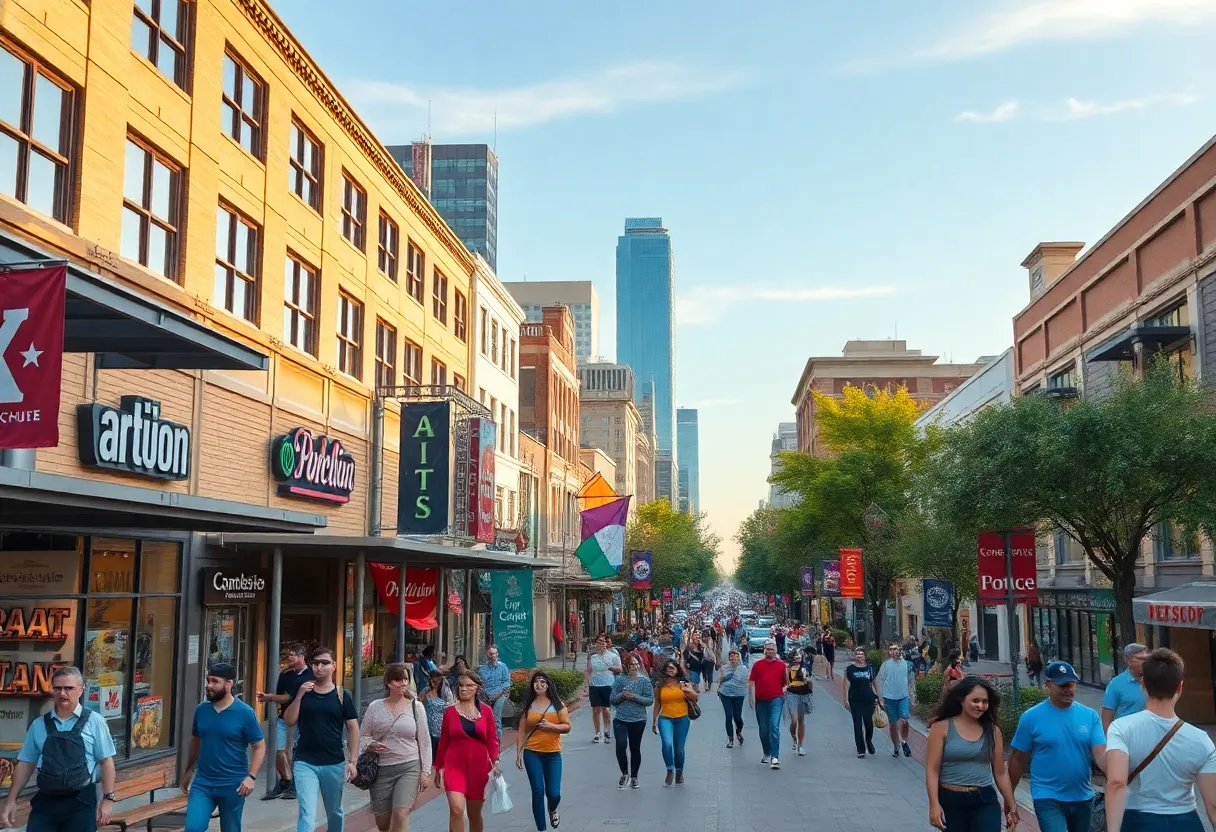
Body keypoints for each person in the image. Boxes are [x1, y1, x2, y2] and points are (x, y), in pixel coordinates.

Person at [1105, 648, 1216, 832]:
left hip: (1138, 820)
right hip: (1186, 821)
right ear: (1180, 687)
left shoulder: (1121, 728)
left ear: (1143, 685)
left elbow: (1116, 783)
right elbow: (1212, 803)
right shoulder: (1201, 739)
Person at [1, 666, 116, 832]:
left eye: (69, 688)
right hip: (46, 801)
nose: (63, 693)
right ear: (52, 690)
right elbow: (26, 764)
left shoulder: (94, 721)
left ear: (81, 690)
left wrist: (108, 799)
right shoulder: (39, 725)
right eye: (58, 688)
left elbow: (106, 761)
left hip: (81, 802)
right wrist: (11, 800)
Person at [1009, 661, 1107, 832]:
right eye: (1062, 685)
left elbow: (1101, 754)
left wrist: (1118, 775)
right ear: (1048, 685)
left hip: (1082, 796)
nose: (1068, 689)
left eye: (1071, 684)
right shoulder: (1031, 717)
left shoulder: (1090, 716)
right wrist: (1009, 797)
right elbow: (1018, 758)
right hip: (1047, 796)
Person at [925, 676, 1019, 832]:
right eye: (975, 701)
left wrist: (1012, 807)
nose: (981, 706)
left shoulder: (994, 732)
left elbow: (1000, 773)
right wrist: (934, 804)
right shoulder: (941, 728)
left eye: (985, 702)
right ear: (961, 700)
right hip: (951, 801)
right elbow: (932, 769)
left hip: (984, 800)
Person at [182, 663, 266, 832]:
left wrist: (251, 777)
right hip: (203, 783)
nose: (209, 685)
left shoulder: (245, 713)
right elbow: (196, 741)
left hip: (233, 785)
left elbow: (259, 746)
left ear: (229, 684)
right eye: (208, 680)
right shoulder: (201, 710)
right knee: (193, 828)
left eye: (215, 681)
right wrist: (188, 770)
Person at [284, 646, 360, 832]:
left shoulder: (342, 695)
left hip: (333, 762)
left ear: (333, 666)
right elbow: (289, 720)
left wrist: (353, 760)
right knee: (307, 814)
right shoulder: (303, 690)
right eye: (315, 663)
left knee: (334, 812)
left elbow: (353, 727)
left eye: (324, 663)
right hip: (304, 761)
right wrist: (300, 695)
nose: (319, 667)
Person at [359, 664, 431, 832]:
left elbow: (425, 741)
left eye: (405, 679)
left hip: (408, 766)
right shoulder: (375, 707)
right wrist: (370, 744)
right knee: (383, 822)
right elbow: (362, 736)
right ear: (388, 683)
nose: (402, 683)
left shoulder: (416, 706)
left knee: (400, 814)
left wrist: (425, 771)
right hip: (380, 770)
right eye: (398, 679)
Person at [433, 670, 500, 832]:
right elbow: (444, 741)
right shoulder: (450, 712)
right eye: (461, 686)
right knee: (456, 810)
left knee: (474, 814)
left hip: (478, 768)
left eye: (469, 686)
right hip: (454, 766)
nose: (464, 689)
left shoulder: (486, 711)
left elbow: (492, 739)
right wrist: (438, 768)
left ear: (477, 688)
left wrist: (495, 761)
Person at [515, 671, 570, 831]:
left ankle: (552, 808)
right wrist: (519, 752)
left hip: (553, 754)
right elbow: (522, 730)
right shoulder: (529, 705)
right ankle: (541, 828)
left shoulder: (558, 705)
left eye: (542, 682)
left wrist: (552, 726)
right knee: (538, 791)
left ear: (548, 685)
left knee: (554, 793)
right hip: (532, 753)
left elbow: (567, 726)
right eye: (536, 682)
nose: (539, 685)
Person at [257, 642, 313, 800]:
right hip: (284, 717)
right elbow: (281, 696)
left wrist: (269, 697)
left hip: (302, 718)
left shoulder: (309, 676)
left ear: (302, 657)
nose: (289, 658)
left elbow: (288, 697)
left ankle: (294, 785)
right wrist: (273, 698)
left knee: (292, 751)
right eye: (288, 655)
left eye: (292, 655)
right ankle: (286, 779)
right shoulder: (286, 674)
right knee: (277, 748)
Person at [610, 652, 653, 789]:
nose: (634, 666)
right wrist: (622, 695)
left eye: (636, 664)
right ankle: (624, 772)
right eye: (631, 664)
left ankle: (634, 776)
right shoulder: (619, 680)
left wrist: (635, 697)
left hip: (638, 719)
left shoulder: (644, 681)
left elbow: (649, 700)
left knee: (635, 748)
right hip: (621, 718)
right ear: (625, 666)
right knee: (621, 745)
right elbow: (612, 699)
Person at [651, 658, 697, 786]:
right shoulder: (660, 685)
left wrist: (686, 690)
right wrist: (654, 721)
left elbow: (695, 698)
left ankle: (679, 772)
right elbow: (657, 704)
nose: (670, 670)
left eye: (672, 668)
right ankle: (669, 769)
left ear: (677, 670)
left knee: (679, 749)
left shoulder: (684, 683)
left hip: (682, 719)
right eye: (668, 668)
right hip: (665, 718)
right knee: (667, 744)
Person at [748, 639, 787, 770]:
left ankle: (775, 757)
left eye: (772, 649)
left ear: (776, 650)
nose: (769, 652)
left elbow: (785, 683)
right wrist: (752, 699)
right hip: (761, 700)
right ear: (764, 650)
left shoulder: (782, 665)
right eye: (767, 649)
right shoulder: (757, 665)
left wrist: (783, 692)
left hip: (776, 699)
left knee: (774, 726)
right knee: (764, 729)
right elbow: (752, 682)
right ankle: (767, 752)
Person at [1102, 643, 1151, 735]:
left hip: (1149, 736)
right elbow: (1107, 717)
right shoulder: (1115, 684)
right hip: (1125, 737)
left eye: (1146, 659)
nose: (1145, 662)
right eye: (1140, 659)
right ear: (1128, 661)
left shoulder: (1154, 680)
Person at [877, 643, 913, 758]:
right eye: (892, 649)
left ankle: (904, 741)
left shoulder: (907, 664)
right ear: (889, 652)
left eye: (896, 649)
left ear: (900, 651)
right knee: (893, 724)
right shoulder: (886, 665)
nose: (894, 651)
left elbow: (912, 681)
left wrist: (913, 695)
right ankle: (896, 746)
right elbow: (879, 680)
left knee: (904, 720)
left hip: (903, 696)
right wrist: (881, 698)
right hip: (889, 697)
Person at [585, 635, 621, 743]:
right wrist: (588, 684)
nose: (601, 644)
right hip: (595, 685)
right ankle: (597, 733)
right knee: (596, 710)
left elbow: (620, 669)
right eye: (599, 642)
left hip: (608, 684)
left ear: (607, 644)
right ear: (596, 644)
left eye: (603, 642)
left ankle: (607, 730)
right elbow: (588, 670)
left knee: (606, 709)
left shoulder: (613, 656)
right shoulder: (593, 657)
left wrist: (610, 667)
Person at [844, 648, 879, 759]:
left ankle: (868, 741)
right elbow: (845, 685)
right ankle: (861, 749)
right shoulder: (849, 669)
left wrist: (877, 697)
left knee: (869, 723)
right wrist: (845, 700)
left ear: (864, 656)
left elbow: (873, 683)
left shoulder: (870, 668)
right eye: (857, 654)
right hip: (855, 699)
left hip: (868, 698)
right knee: (857, 723)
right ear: (855, 656)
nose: (859, 656)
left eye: (861, 654)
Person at [783, 649, 813, 757]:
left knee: (801, 720)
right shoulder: (787, 669)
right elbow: (786, 683)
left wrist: (809, 682)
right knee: (794, 720)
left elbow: (809, 684)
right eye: (795, 657)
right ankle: (794, 738)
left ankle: (800, 745)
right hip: (791, 694)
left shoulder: (805, 668)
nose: (797, 659)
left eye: (799, 657)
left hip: (803, 695)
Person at [718, 648, 747, 749]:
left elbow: (746, 682)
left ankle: (738, 732)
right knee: (728, 715)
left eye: (735, 656)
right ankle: (730, 739)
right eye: (731, 656)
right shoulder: (724, 668)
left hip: (739, 695)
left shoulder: (744, 669)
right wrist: (719, 688)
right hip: (725, 695)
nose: (733, 657)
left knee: (737, 717)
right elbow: (720, 680)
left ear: (739, 658)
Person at [477, 647, 511, 731]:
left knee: (496, 718)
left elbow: (506, 682)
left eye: (495, 653)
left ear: (497, 654)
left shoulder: (502, 666)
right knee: (484, 717)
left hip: (499, 695)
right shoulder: (482, 669)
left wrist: (499, 693)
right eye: (490, 654)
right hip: (486, 696)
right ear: (487, 655)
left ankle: (497, 739)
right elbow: (479, 683)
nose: (493, 656)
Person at [421, 670, 454, 753]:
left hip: (441, 724)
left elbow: (450, 705)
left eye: (436, 680)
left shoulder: (446, 690)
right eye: (432, 680)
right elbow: (419, 702)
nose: (434, 682)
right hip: (429, 724)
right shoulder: (426, 690)